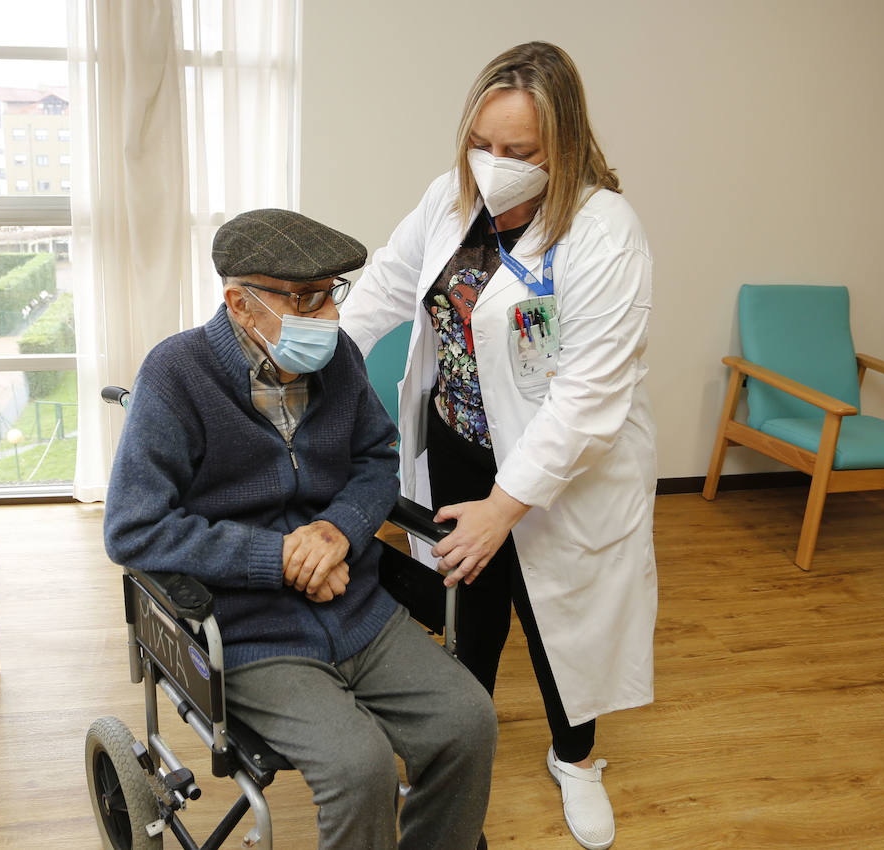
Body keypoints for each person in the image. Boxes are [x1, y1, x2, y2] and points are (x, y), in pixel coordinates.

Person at [339, 42, 657, 850]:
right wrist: (318, 361)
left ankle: (576, 758)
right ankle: (455, 748)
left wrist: (505, 509)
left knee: (561, 626)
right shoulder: (448, 200)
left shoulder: (603, 234)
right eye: (484, 143)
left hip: (564, 472)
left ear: (566, 147)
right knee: (467, 616)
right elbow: (381, 286)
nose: (495, 165)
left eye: (520, 152)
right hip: (459, 446)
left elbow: (587, 398)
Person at [103, 208, 497, 850]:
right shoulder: (175, 376)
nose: (330, 317)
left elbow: (376, 459)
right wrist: (277, 556)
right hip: (249, 631)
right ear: (240, 303)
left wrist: (337, 531)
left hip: (357, 605)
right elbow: (134, 529)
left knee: (469, 721)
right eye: (306, 299)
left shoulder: (337, 359)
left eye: (330, 295)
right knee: (359, 767)